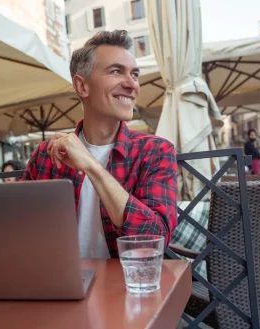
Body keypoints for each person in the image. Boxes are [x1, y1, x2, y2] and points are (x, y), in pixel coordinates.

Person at [22, 30, 177, 259]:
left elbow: (155, 238)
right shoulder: (46, 155)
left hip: (128, 285)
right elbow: (22, 233)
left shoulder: (155, 151)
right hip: (60, 286)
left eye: (134, 75)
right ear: (82, 86)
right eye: (116, 71)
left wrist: (91, 166)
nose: (132, 84)